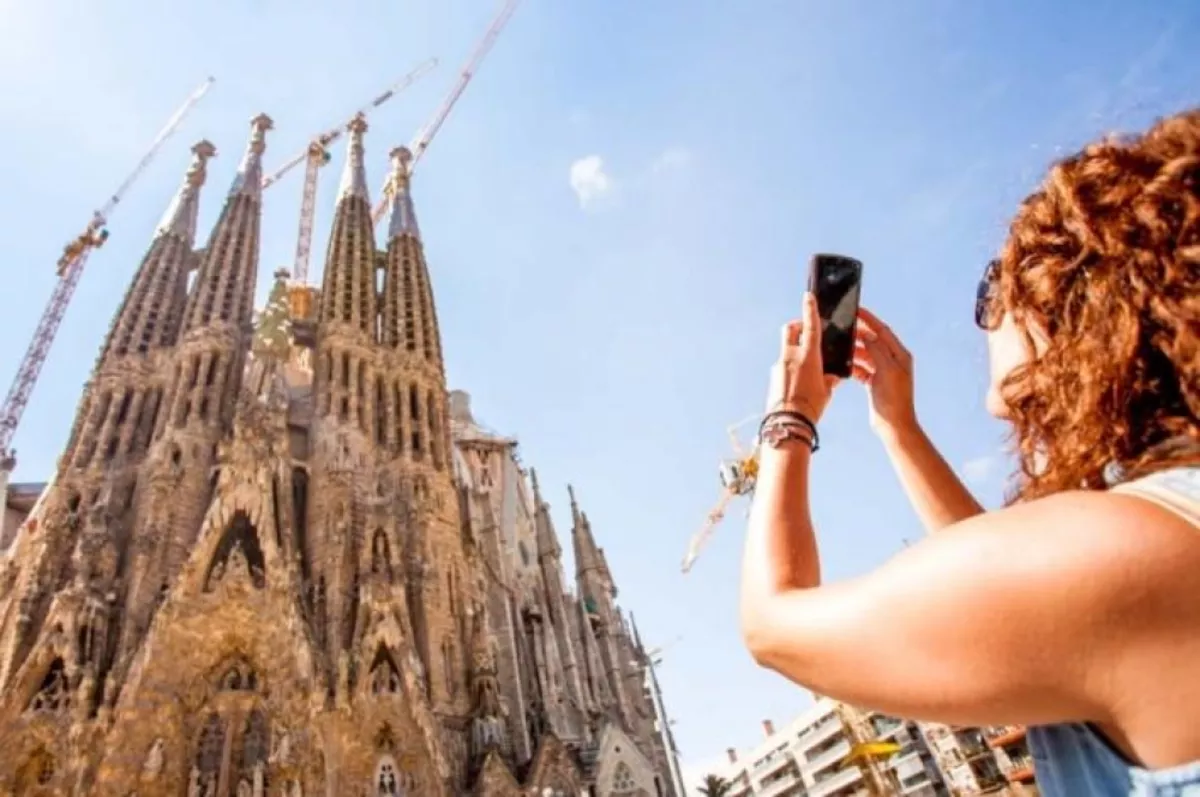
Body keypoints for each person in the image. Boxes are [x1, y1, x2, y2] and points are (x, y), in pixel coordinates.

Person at [739, 108, 1200, 796]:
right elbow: (1015, 600)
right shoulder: (1164, 524)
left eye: (994, 287)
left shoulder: (1133, 554)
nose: (986, 313)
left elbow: (775, 624)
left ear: (1071, 305)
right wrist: (899, 427)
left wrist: (790, 416)